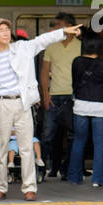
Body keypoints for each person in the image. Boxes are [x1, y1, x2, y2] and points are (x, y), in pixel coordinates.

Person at [0, 16, 82, 201]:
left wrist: (63, 32)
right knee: (1, 147)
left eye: (7, 29)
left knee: (26, 147)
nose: (6, 32)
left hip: (21, 103)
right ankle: (0, 186)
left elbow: (42, 40)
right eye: (1, 30)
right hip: (0, 103)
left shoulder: (23, 48)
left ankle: (29, 187)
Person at [68, 32, 103, 188]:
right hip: (101, 106)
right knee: (100, 143)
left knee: (79, 140)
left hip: (81, 104)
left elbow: (74, 83)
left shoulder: (76, 62)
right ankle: (97, 180)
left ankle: (75, 177)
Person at [39, 12, 82, 180]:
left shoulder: (80, 46)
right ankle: (41, 169)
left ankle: (67, 169)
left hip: (74, 97)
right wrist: (45, 95)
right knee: (47, 135)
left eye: (59, 25)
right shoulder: (51, 46)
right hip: (54, 96)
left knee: (73, 136)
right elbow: (44, 72)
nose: (55, 28)